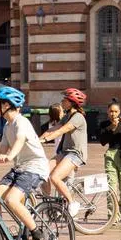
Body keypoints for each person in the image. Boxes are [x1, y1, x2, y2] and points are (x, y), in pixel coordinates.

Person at [0, 86, 49, 240]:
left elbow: (20, 141)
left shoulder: (21, 122)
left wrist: (9, 156)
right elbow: (3, 148)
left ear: (7, 105)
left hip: (35, 167)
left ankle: (38, 234)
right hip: (20, 168)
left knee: (11, 199)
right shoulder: (7, 126)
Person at [41, 88, 89, 218]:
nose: (62, 101)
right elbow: (54, 128)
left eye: (64, 99)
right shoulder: (67, 116)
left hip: (75, 154)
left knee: (55, 177)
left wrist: (45, 140)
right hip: (65, 152)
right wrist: (37, 139)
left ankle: (72, 203)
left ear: (71, 102)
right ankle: (50, 203)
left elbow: (62, 130)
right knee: (42, 171)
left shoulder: (78, 117)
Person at [98, 100, 121, 224]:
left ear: (119, 112)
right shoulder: (104, 124)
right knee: (111, 187)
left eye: (115, 111)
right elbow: (103, 141)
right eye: (111, 111)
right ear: (107, 112)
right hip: (111, 155)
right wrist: (112, 128)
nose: (113, 114)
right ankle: (113, 215)